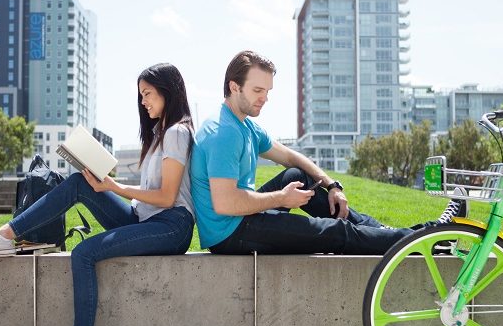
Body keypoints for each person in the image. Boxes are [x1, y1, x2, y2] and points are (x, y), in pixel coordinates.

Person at [0, 63, 196, 326]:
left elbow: (168, 196)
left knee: (84, 252)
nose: (143, 101)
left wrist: (114, 187)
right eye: (140, 95)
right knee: (78, 183)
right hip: (145, 217)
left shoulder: (176, 132)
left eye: (148, 93)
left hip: (171, 226)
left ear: (167, 91)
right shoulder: (160, 133)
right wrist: (107, 183)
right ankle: (5, 236)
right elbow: (151, 195)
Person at [189, 50, 466, 255]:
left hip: (240, 218)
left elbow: (290, 157)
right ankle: (431, 238)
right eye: (257, 90)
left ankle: (386, 232)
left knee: (298, 174)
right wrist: (282, 198)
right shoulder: (223, 131)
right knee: (335, 233)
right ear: (234, 87)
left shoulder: (244, 125)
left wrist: (332, 185)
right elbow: (225, 204)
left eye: (268, 90)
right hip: (230, 234)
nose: (265, 98)